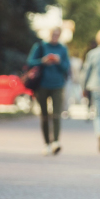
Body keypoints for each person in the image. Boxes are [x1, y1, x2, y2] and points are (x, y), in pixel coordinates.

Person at [27, 27, 70, 156]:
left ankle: (56, 142)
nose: (55, 36)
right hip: (42, 85)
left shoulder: (62, 49)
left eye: (58, 34)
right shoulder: (40, 46)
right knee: (45, 116)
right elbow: (29, 62)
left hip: (57, 85)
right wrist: (43, 61)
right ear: (49, 34)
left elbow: (66, 67)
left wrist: (58, 61)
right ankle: (47, 143)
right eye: (53, 34)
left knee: (56, 114)